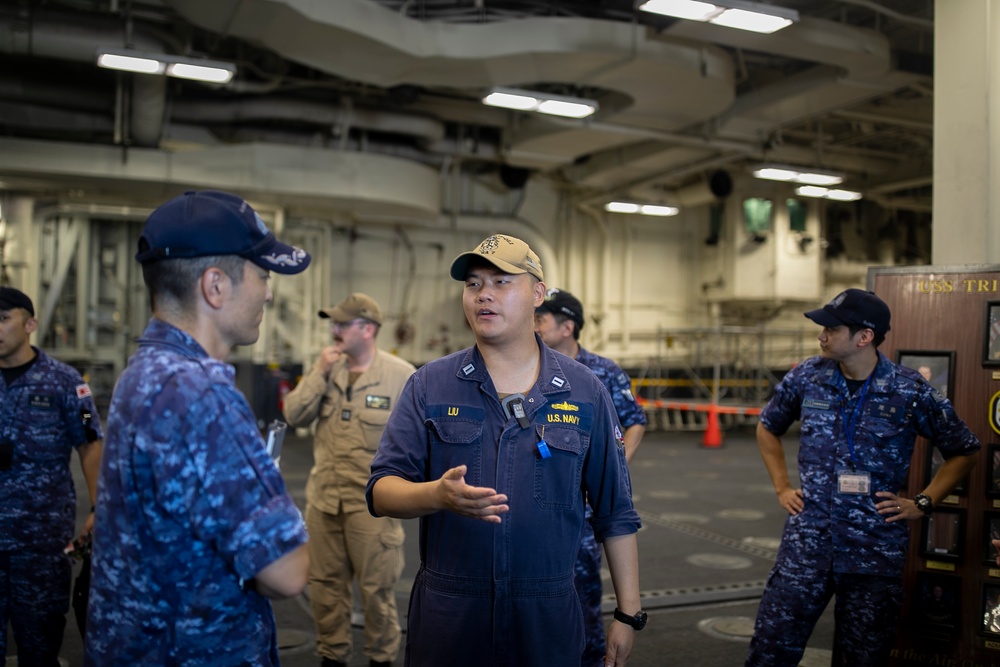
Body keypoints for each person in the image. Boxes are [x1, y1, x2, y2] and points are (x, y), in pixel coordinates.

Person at [366, 233, 644, 667]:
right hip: (451, 616)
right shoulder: (429, 385)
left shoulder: (585, 391)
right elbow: (381, 490)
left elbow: (616, 512)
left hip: (546, 616)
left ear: (537, 294)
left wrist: (628, 614)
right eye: (473, 284)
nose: (483, 294)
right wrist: (436, 495)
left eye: (501, 282)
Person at [85, 190, 312, 666]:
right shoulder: (202, 395)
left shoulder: (143, 371)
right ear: (215, 286)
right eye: (262, 275)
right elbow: (287, 572)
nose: (268, 292)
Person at [745, 288, 980, 666]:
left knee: (863, 658)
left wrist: (923, 502)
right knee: (769, 651)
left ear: (864, 336)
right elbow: (768, 426)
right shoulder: (807, 376)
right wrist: (782, 486)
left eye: (831, 329)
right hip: (806, 547)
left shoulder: (908, 389)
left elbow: (964, 450)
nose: (821, 336)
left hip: (873, 552)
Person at [283, 293, 415, 667]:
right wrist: (319, 373)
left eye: (343, 324)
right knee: (325, 588)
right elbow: (293, 415)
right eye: (334, 324)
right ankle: (333, 656)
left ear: (368, 329)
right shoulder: (327, 369)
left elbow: (419, 439)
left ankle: (381, 658)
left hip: (372, 505)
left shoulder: (401, 375)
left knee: (376, 591)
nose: (334, 331)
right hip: (324, 500)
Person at [534, 287, 647, 666]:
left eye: (541, 319)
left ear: (567, 327)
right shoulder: (528, 366)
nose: (534, 325)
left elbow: (635, 421)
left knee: (582, 592)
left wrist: (614, 466)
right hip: (538, 497)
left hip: (583, 506)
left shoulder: (603, 372)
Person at [0, 286, 103, 665]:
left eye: (3, 319)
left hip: (40, 542)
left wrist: (98, 507)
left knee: (40, 644)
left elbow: (91, 442)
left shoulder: (68, 383)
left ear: (30, 325)